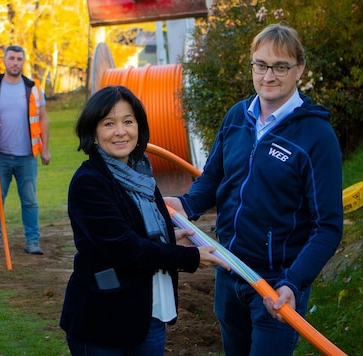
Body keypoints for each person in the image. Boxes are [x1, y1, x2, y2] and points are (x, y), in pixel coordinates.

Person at [164, 23, 343, 355]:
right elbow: (213, 179)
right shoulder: (236, 117)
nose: (268, 76)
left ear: (299, 69)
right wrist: (186, 205)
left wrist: (294, 281)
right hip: (229, 269)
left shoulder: (316, 137)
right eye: (260, 65)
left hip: (276, 285)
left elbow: (328, 227)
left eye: (280, 66)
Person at [60, 85, 229, 355]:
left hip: (150, 313)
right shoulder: (89, 182)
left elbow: (136, 234)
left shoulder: (142, 176)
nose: (120, 131)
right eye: (108, 123)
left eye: (128, 121)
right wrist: (191, 257)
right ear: (93, 132)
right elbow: (126, 248)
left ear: (139, 128)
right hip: (104, 322)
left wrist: (171, 238)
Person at [0, 45, 51, 255]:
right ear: (4, 60)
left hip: (27, 157)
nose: (15, 62)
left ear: (23, 61)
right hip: (0, 155)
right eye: (11, 58)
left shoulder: (34, 88)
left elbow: (43, 118)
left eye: (19, 59)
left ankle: (32, 241)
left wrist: (45, 149)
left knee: (30, 200)